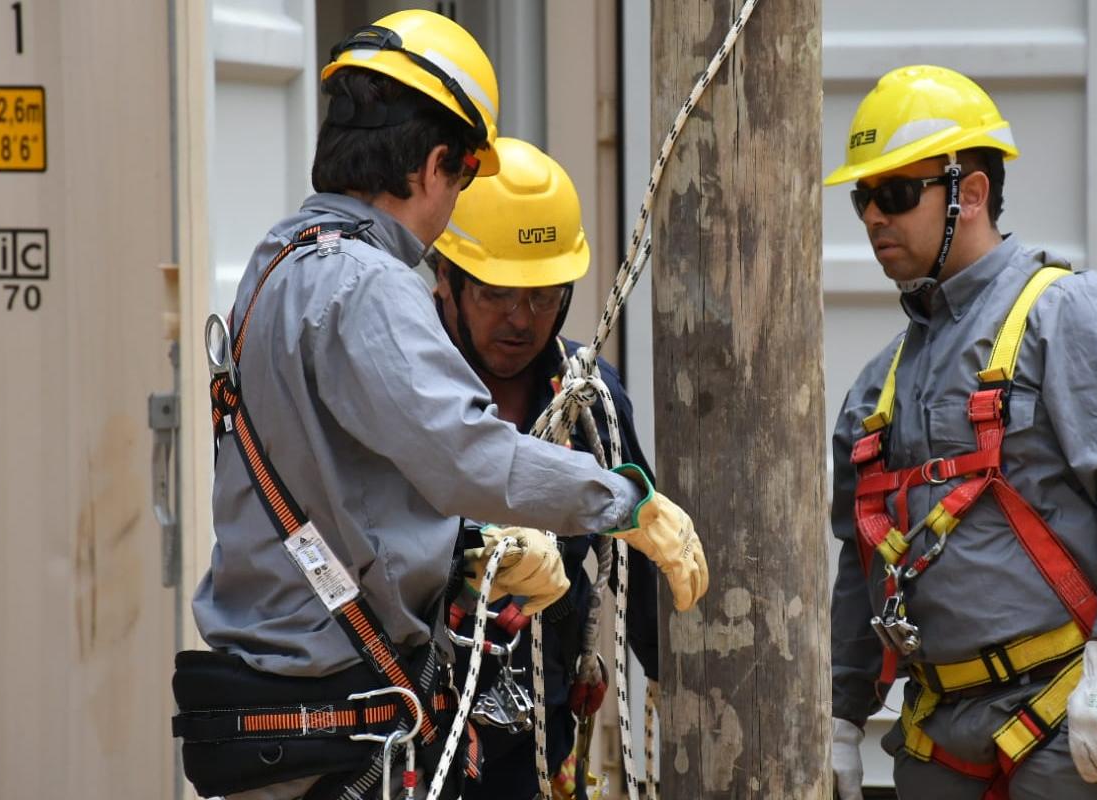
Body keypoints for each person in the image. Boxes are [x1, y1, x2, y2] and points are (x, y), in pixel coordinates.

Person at [172, 12, 706, 800]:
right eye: (460, 180)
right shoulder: (368, 284)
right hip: (336, 716)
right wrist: (625, 500)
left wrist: (468, 546)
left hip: (280, 710)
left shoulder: (279, 262)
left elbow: (345, 487)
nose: (454, 205)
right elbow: (467, 457)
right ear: (432, 164)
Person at [824, 65, 1097, 800]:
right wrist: (842, 713)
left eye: (895, 195)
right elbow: (859, 560)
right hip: (937, 737)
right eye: (862, 197)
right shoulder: (878, 384)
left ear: (969, 193)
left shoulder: (1069, 316)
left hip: (1069, 719)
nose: (872, 217)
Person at [428, 136, 661, 800]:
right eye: (497, 294)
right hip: (417, 723)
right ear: (445, 278)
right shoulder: (407, 396)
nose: (520, 319)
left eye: (542, 295)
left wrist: (686, 685)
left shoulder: (588, 403)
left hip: (539, 735)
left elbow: (640, 568)